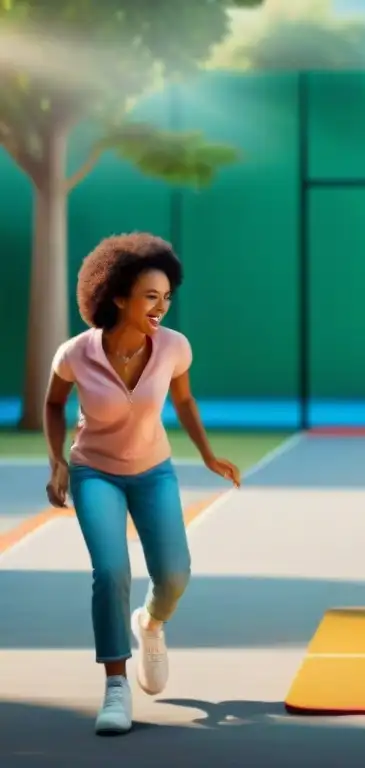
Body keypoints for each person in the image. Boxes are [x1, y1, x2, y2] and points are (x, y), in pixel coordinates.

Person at [43, 232, 241, 736]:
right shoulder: (75, 353)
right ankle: (114, 686)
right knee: (110, 572)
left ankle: (150, 623)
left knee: (174, 575)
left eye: (166, 296)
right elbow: (52, 404)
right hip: (95, 472)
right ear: (116, 296)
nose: (161, 306)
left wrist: (208, 455)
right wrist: (57, 463)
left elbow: (185, 402)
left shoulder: (174, 347)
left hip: (154, 472)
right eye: (150, 296)